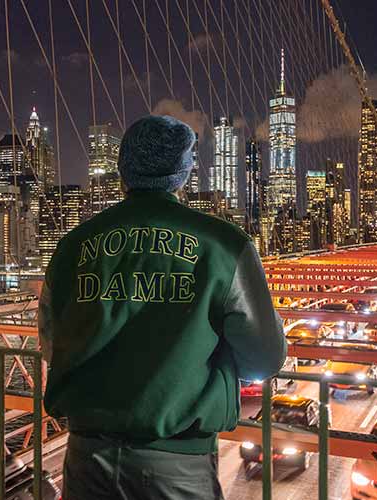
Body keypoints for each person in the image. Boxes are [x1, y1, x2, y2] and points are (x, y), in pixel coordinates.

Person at [38, 115, 288, 499]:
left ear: (123, 169)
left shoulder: (73, 245)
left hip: (86, 458)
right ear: (184, 170)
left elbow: (51, 343)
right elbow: (263, 360)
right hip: (176, 462)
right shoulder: (223, 244)